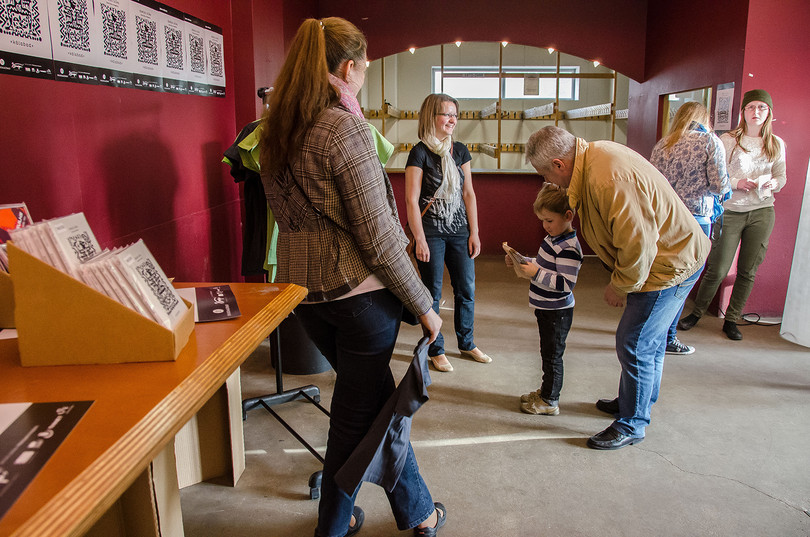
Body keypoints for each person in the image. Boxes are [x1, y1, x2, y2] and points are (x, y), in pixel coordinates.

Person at [259, 17, 446, 537]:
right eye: (364, 68)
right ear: (348, 68)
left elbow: (288, 220)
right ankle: (333, 527)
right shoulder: (343, 128)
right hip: (360, 300)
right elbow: (380, 237)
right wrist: (425, 306)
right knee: (352, 421)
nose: (363, 76)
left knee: (374, 404)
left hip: (307, 299)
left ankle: (420, 513)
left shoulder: (275, 130)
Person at [525, 126, 709, 450]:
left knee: (634, 343)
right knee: (648, 342)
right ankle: (633, 402)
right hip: (666, 260)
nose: (548, 181)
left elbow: (639, 244)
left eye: (545, 174)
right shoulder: (594, 159)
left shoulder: (606, 177)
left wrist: (620, 286)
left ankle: (632, 422)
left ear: (558, 164)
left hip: (669, 265)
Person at [677, 89, 787, 341]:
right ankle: (697, 313)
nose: (756, 112)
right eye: (751, 107)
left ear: (769, 112)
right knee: (717, 268)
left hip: (762, 211)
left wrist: (773, 184)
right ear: (743, 111)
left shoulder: (776, 143)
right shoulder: (728, 140)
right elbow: (718, 173)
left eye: (762, 107)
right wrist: (738, 183)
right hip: (731, 210)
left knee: (748, 270)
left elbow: (781, 176)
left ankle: (732, 319)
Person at [405, 93, 490, 373]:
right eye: (446, 114)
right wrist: (419, 238)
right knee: (431, 292)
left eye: (455, 114)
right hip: (431, 232)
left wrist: (474, 232)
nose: (452, 119)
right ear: (431, 117)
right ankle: (435, 348)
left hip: (459, 231)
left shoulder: (460, 151)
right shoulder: (419, 152)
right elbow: (411, 200)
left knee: (466, 289)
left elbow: (469, 193)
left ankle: (467, 343)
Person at [650, 102, 730, 355]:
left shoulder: (663, 144)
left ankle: (654, 331)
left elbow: (652, 182)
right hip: (696, 219)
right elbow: (719, 185)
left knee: (664, 277)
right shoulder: (710, 142)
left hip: (666, 218)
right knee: (683, 283)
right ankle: (669, 337)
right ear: (704, 118)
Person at [505, 183, 583, 416]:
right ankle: (546, 391)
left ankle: (550, 400)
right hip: (545, 308)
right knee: (547, 353)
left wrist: (535, 273)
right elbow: (544, 265)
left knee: (552, 356)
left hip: (557, 311)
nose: (545, 225)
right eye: (542, 220)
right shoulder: (552, 239)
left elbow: (565, 284)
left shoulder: (568, 247)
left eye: (549, 220)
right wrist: (523, 261)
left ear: (568, 216)